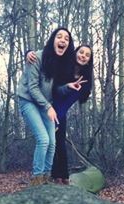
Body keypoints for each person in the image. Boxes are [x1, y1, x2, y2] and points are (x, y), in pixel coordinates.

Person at [27, 45, 93, 184]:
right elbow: (48, 58)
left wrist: (57, 118)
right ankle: (46, 175)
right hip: (47, 105)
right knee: (47, 142)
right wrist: (28, 53)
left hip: (60, 112)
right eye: (81, 52)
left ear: (88, 61)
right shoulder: (64, 67)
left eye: (87, 55)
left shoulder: (85, 81)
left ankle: (63, 176)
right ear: (75, 53)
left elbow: (68, 102)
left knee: (59, 143)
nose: (83, 56)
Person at [16, 28, 75, 186]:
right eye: (59, 37)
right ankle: (37, 179)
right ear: (52, 40)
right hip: (28, 100)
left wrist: (68, 86)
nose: (63, 40)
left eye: (66, 39)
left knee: (52, 142)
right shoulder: (37, 57)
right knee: (43, 139)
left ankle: (47, 177)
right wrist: (49, 107)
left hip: (45, 103)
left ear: (68, 45)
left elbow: (55, 90)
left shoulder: (61, 64)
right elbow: (33, 88)